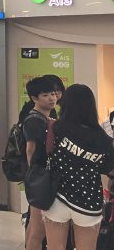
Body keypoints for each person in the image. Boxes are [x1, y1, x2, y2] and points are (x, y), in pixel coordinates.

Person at [43, 84, 114, 250]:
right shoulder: (103, 139)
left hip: (57, 196)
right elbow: (107, 168)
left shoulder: (56, 128)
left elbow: (44, 154)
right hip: (89, 200)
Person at [23, 76, 58, 250]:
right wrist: (35, 176)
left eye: (53, 94)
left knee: (34, 225)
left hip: (39, 176)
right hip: (40, 177)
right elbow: (30, 149)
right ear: (34, 98)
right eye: (45, 95)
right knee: (39, 230)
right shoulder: (35, 120)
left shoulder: (45, 118)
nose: (51, 98)